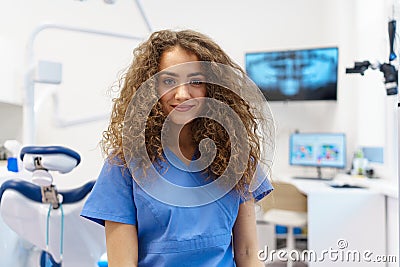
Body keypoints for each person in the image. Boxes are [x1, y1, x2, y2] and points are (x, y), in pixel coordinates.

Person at [81, 29, 273, 267]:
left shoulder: (236, 157)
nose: (182, 94)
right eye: (169, 81)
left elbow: (247, 253)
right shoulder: (124, 165)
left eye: (195, 82)